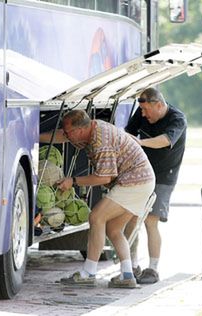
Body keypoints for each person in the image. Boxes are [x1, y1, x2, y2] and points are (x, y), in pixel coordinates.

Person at [41, 109, 155, 288]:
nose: (66, 135)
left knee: (96, 217)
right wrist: (35, 137)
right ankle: (127, 275)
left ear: (79, 130)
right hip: (142, 180)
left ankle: (89, 272)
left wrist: (73, 181)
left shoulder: (101, 140)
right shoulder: (89, 129)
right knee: (113, 229)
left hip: (135, 181)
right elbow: (62, 137)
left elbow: (105, 177)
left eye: (68, 132)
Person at [124, 87, 187, 284]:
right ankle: (131, 265)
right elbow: (128, 134)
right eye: (141, 110)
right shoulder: (142, 112)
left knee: (151, 221)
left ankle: (153, 269)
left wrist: (141, 143)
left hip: (163, 176)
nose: (143, 114)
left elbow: (164, 141)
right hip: (140, 172)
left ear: (158, 105)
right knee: (132, 217)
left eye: (146, 110)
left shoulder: (177, 119)